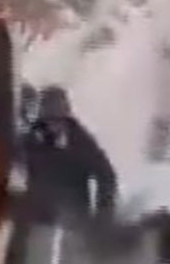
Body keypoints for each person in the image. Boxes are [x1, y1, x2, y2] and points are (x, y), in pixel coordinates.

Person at [20, 84, 118, 220]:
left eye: (57, 121)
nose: (52, 127)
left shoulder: (81, 142)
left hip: (74, 218)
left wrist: (102, 220)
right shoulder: (32, 138)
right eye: (48, 121)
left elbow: (106, 176)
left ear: (65, 119)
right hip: (37, 217)